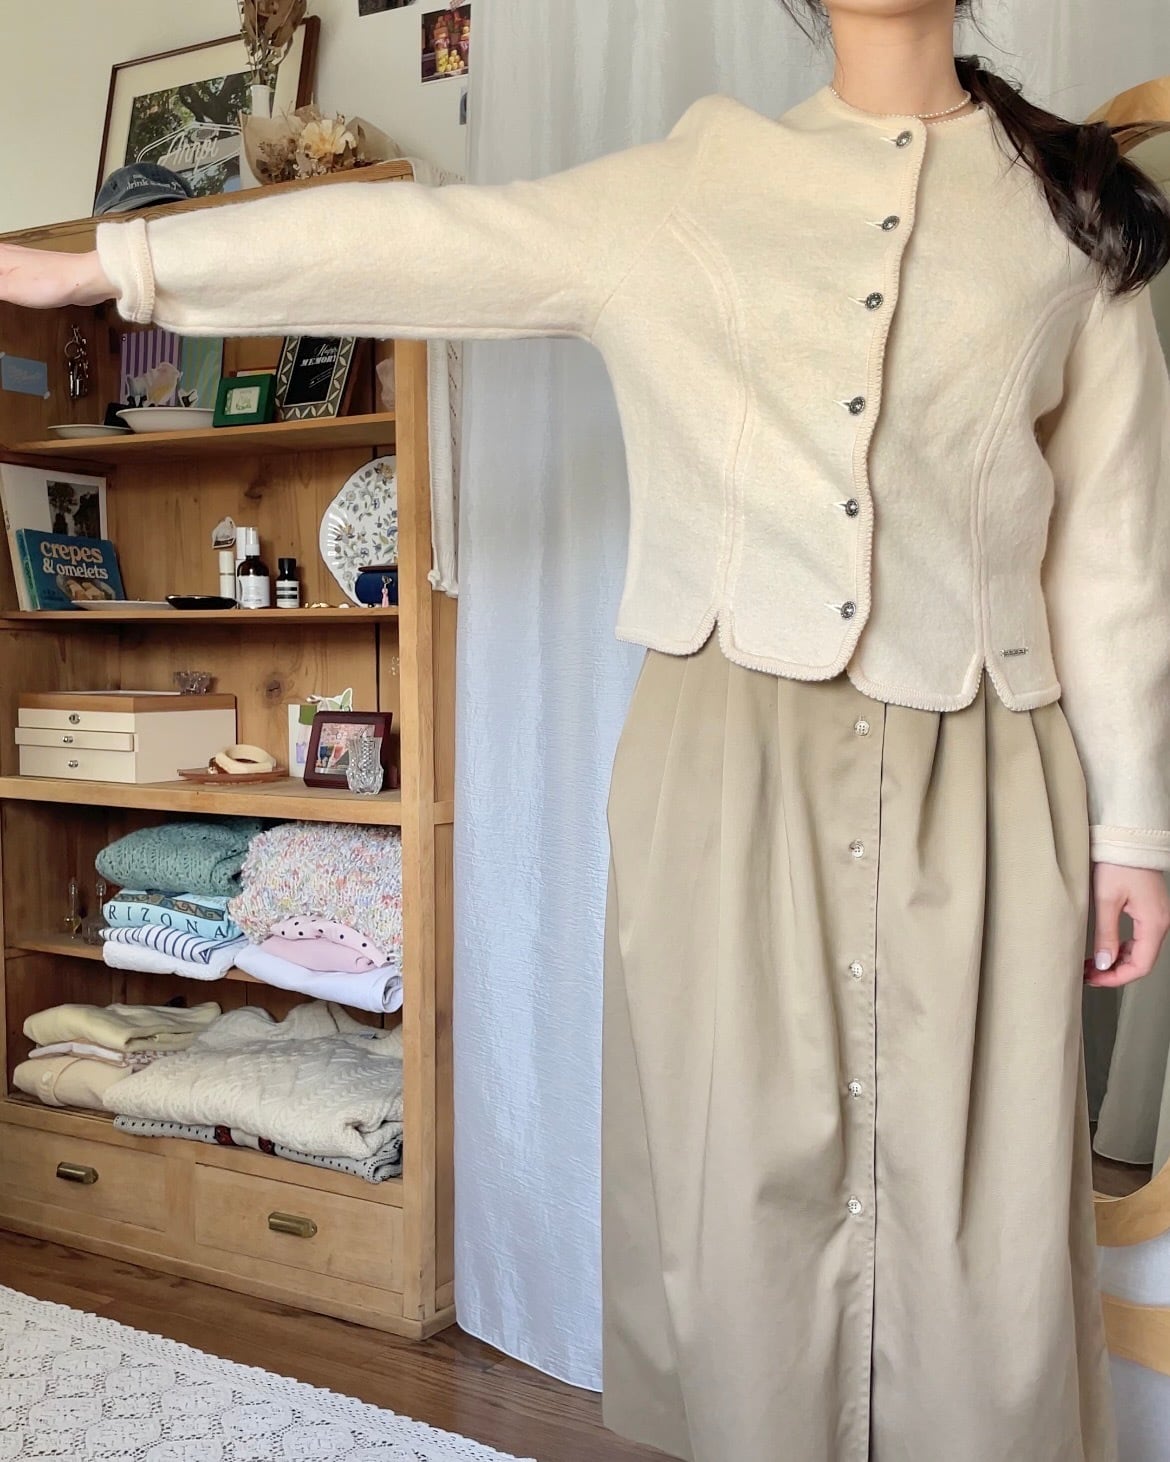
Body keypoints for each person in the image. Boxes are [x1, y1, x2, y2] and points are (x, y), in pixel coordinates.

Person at [3, 1, 1169, 1457]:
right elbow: (419, 240)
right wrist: (109, 263)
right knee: (738, 1171)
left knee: (980, 1198)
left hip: (984, 762)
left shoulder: (1074, 208)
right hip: (726, 757)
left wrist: (1133, 828)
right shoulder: (692, 188)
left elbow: (1112, 554)